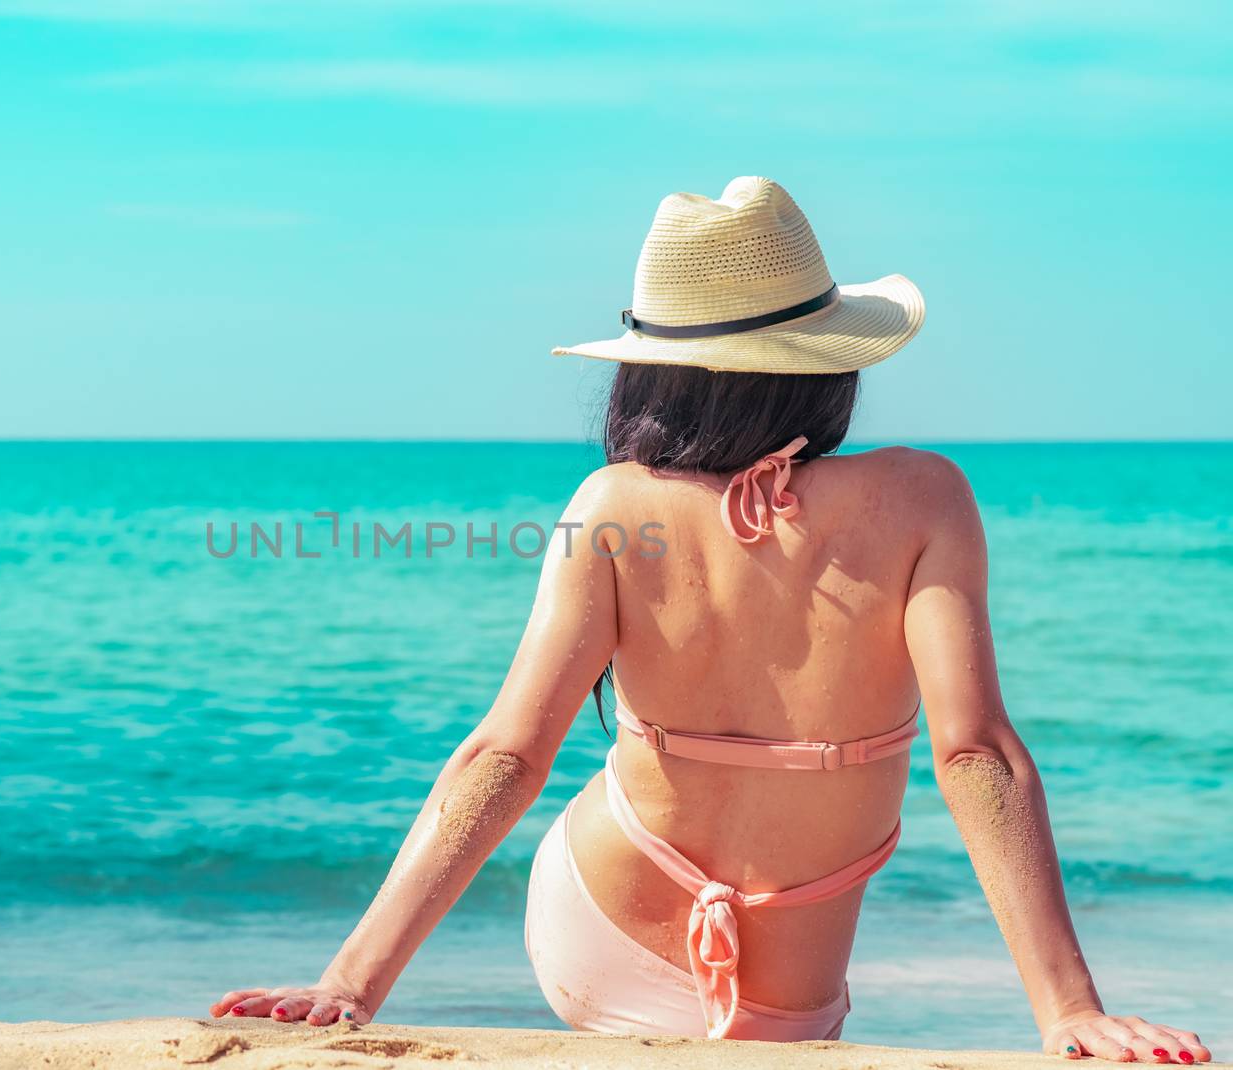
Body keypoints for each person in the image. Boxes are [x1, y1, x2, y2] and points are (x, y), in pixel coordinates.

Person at [208, 177, 1211, 1062]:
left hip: (593, 935)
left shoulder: (610, 502)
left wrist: (351, 981)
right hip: (791, 994)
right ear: (828, 357)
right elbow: (975, 755)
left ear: (649, 366)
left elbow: (505, 754)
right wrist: (1069, 1007)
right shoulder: (922, 499)